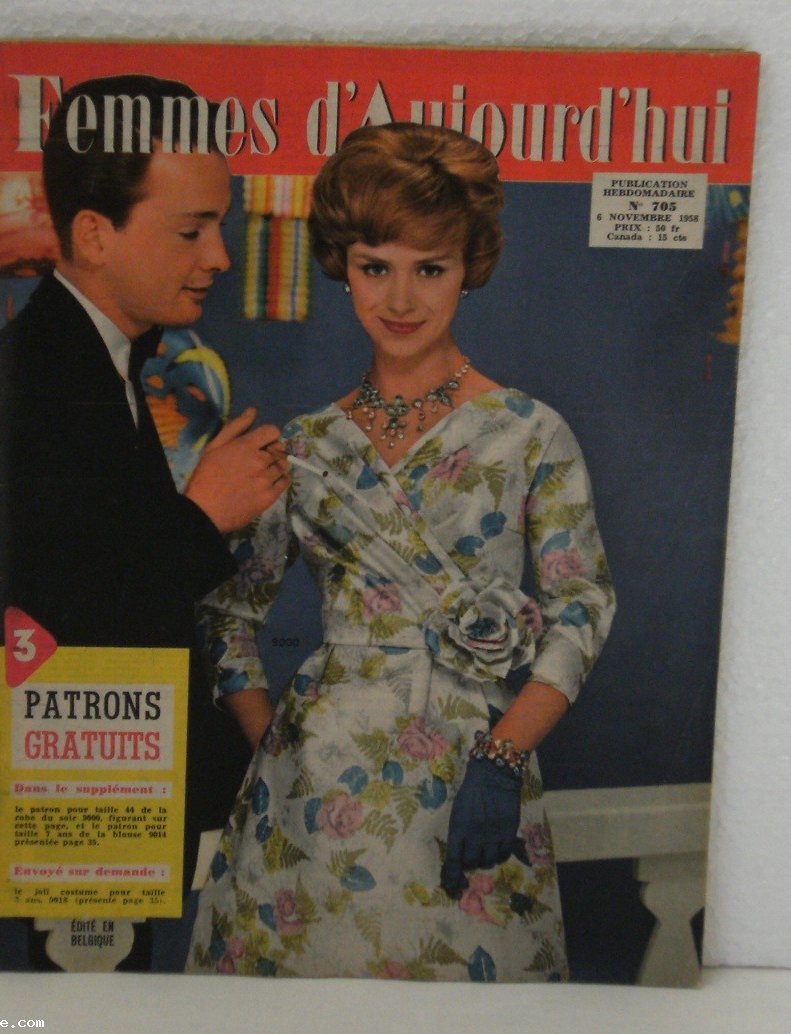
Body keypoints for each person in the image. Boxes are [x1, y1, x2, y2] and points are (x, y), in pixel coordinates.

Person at [186, 123, 615, 982]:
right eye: (376, 266)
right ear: (343, 266)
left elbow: (583, 608)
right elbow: (228, 616)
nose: (402, 298)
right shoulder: (305, 445)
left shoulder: (531, 432)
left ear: (470, 267)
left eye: (431, 268)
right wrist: (275, 746)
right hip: (312, 793)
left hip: (473, 766)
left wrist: (505, 754)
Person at [0, 75, 289, 967]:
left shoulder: (98, 359)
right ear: (93, 234)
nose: (221, 257)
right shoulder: (35, 376)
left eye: (221, 227)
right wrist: (204, 514)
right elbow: (51, 614)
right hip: (77, 783)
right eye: (192, 230)